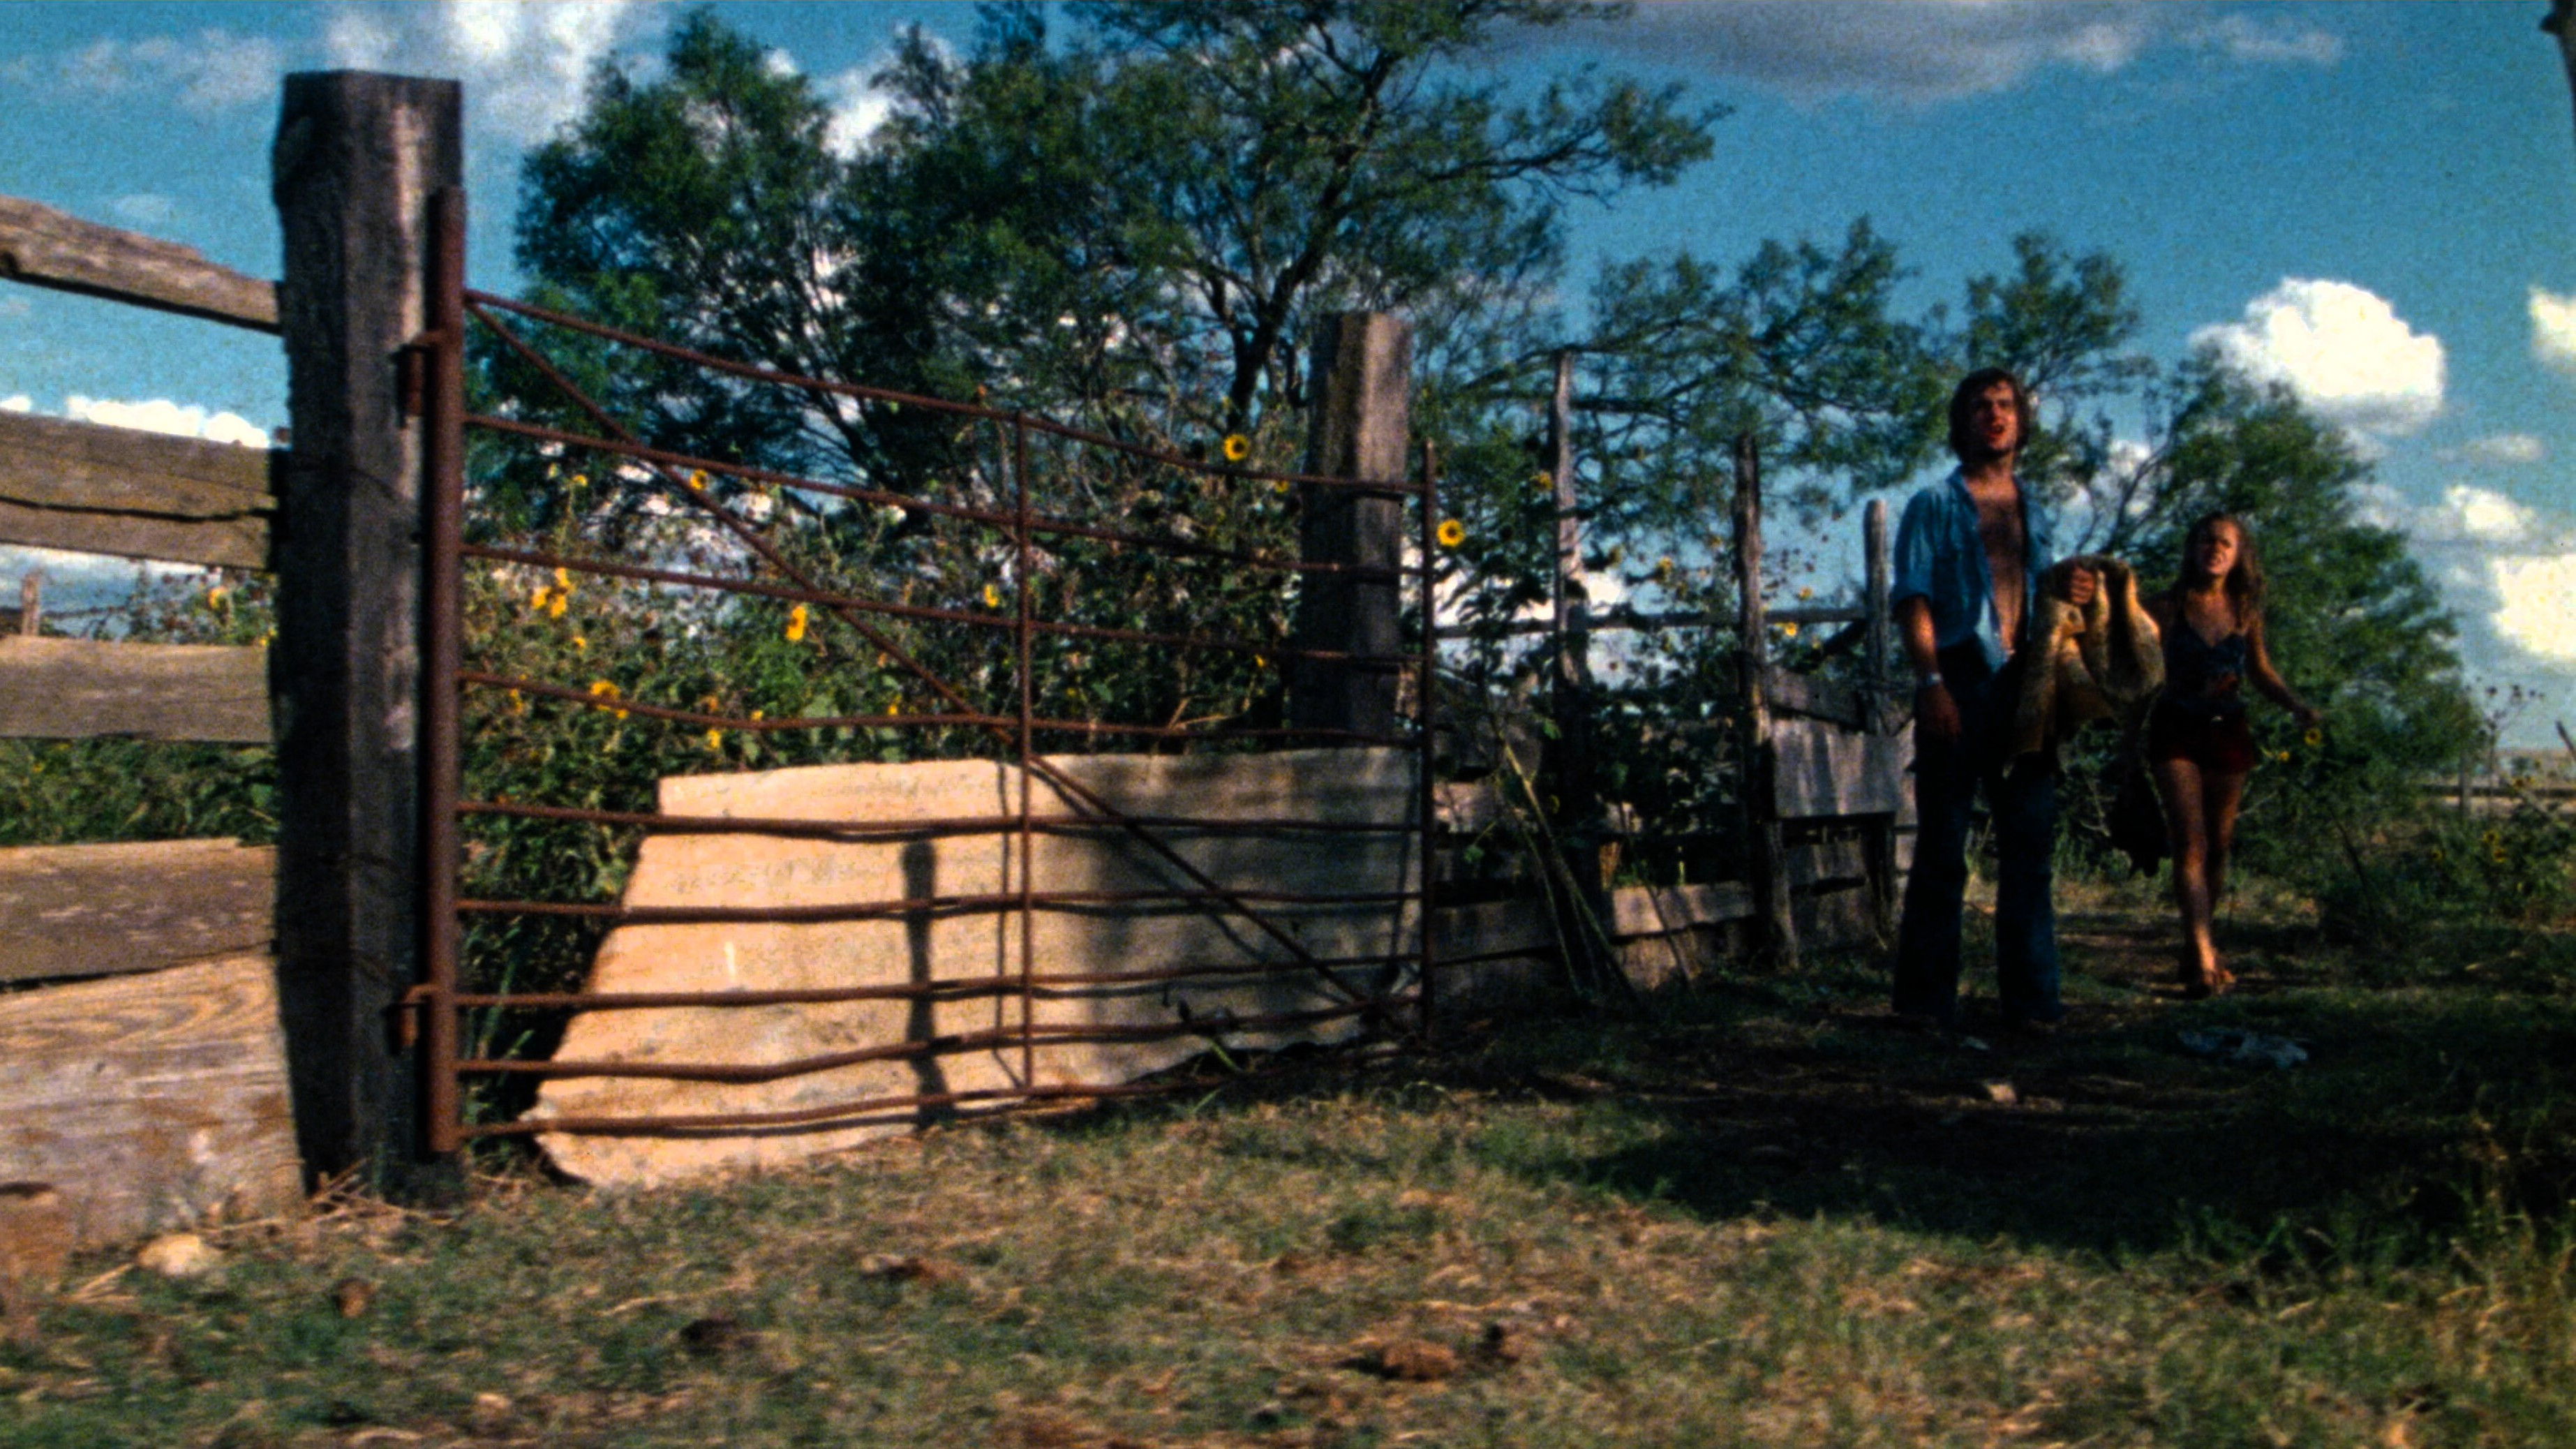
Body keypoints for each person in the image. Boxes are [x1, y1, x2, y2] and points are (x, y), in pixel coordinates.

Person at [1889, 368, 2096, 1032]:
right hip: (1956, 678)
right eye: (1981, 406)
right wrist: (1930, 685)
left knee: (2028, 851)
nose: (1995, 416)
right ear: (1962, 423)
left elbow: (2041, 600)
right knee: (1942, 849)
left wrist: (2071, 588)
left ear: (2021, 420)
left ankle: (2033, 1008)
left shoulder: (2036, 509)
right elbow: (1912, 600)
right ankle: (1923, 1007)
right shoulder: (1932, 504)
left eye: (2006, 405)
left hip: (2024, 686)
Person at [2143, 513, 2318, 997]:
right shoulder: (2163, 608)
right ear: (2191, 548)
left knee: (2218, 846)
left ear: (2239, 554)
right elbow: (2134, 667)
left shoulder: (2244, 610)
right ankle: (2203, 957)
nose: (2214, 549)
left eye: (2225, 543)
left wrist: (2295, 705)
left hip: (2228, 729)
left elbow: (2260, 670)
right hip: (2175, 728)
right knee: (2190, 843)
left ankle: (2196, 941)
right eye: (2206, 541)